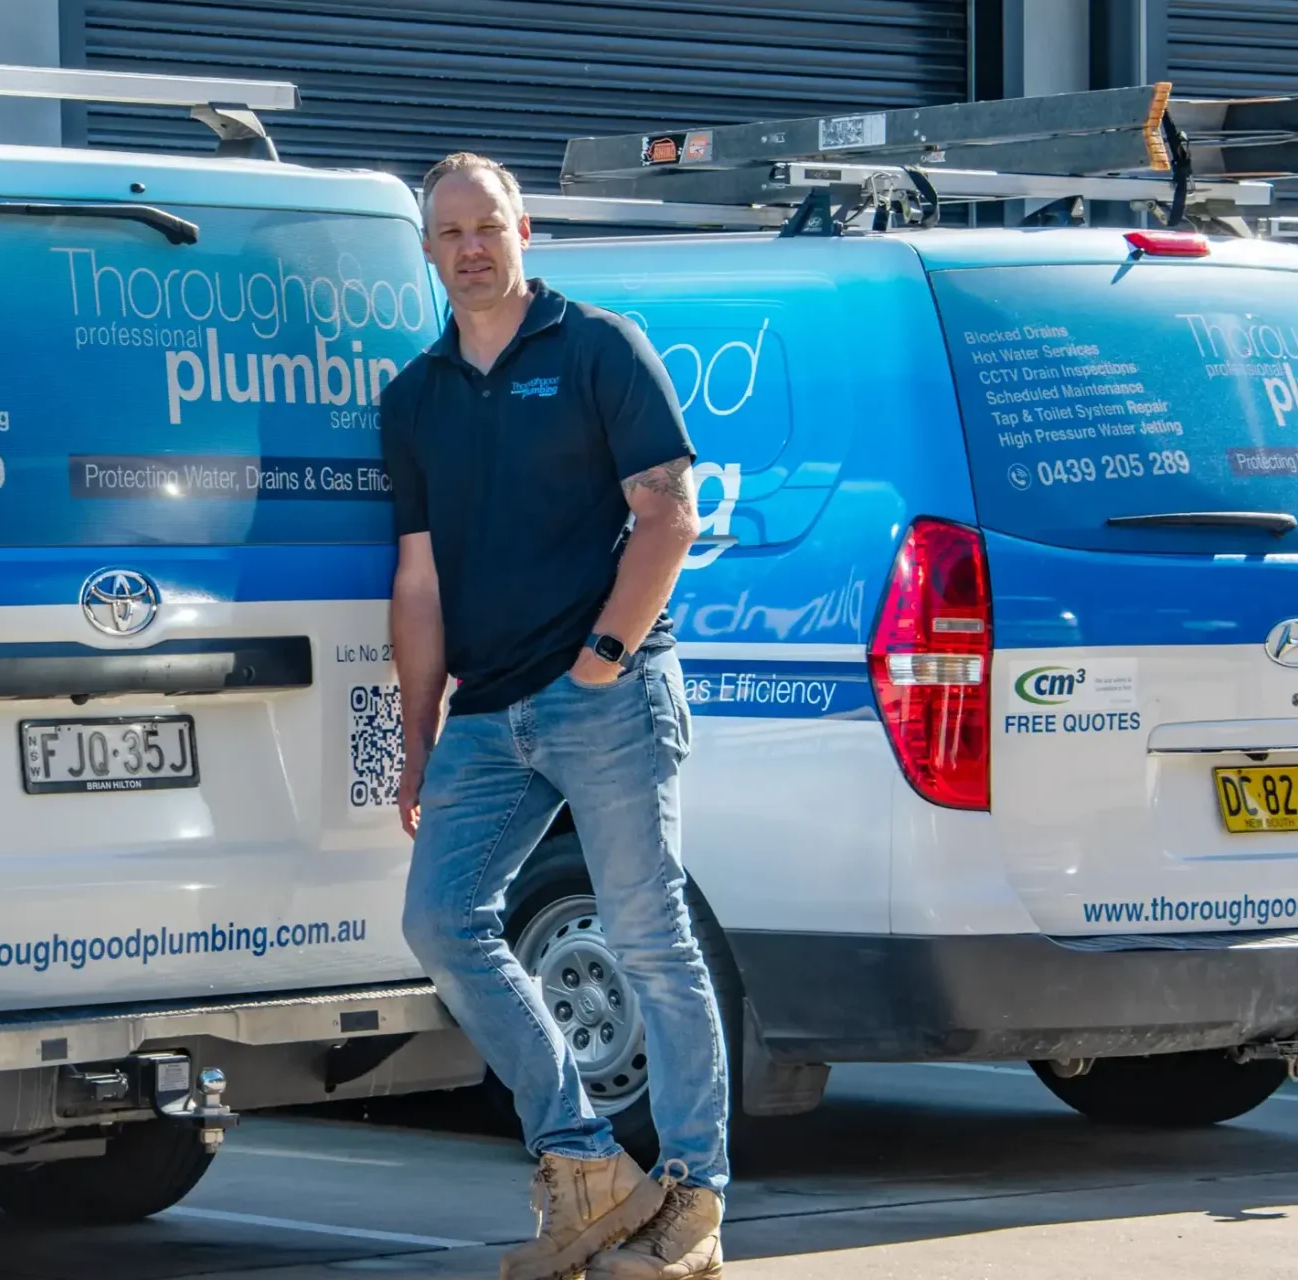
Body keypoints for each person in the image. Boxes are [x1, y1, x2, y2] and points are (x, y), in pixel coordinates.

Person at [381, 152, 730, 1280]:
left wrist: (602, 658)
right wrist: (420, 731)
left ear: (523, 228)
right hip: (486, 714)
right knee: (441, 920)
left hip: (605, 695)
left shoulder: (596, 348)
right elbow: (420, 581)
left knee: (649, 939)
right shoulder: (417, 395)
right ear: (429, 251)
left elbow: (667, 514)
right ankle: (583, 1162)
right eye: (450, 234)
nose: (471, 248)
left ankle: (691, 1197)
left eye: (488, 226)